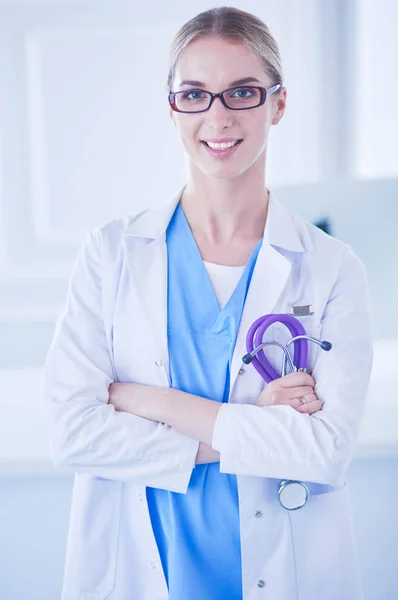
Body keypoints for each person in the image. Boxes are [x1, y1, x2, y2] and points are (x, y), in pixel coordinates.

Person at [44, 7, 373, 600]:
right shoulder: (113, 254)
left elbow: (325, 452)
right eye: (194, 94)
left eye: (242, 92)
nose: (218, 117)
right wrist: (257, 429)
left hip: (289, 572)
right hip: (142, 574)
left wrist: (150, 402)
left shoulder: (330, 269)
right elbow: (72, 433)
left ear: (278, 104)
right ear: (172, 108)